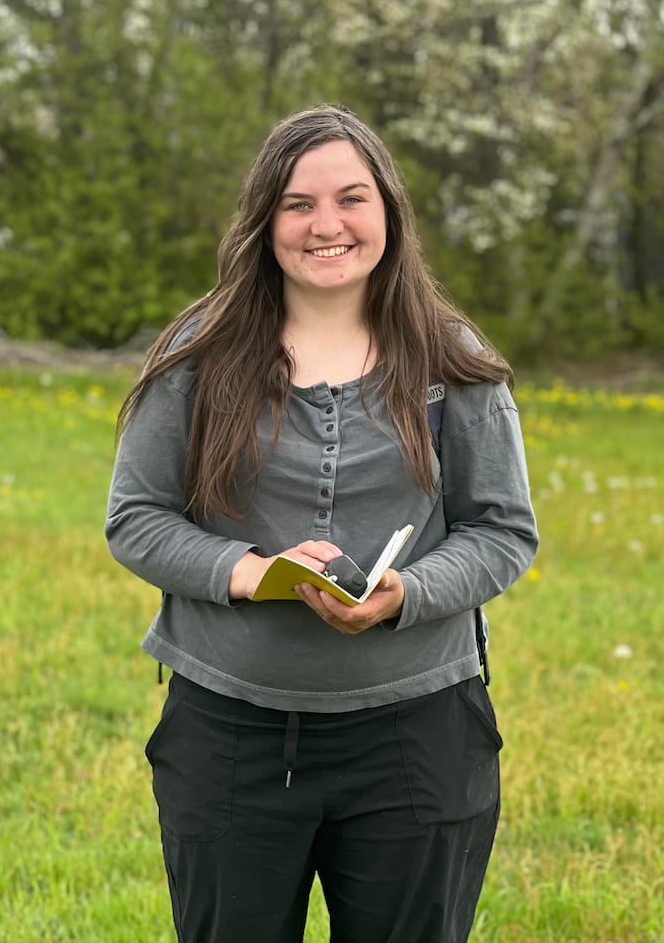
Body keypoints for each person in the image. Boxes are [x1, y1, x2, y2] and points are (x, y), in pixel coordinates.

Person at [105, 104, 538, 943]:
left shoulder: (452, 358)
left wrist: (407, 591)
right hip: (230, 737)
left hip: (420, 738)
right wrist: (253, 572)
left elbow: (503, 531)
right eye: (298, 204)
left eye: (351, 199)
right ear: (265, 220)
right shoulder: (198, 353)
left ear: (389, 214)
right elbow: (136, 519)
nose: (325, 225)